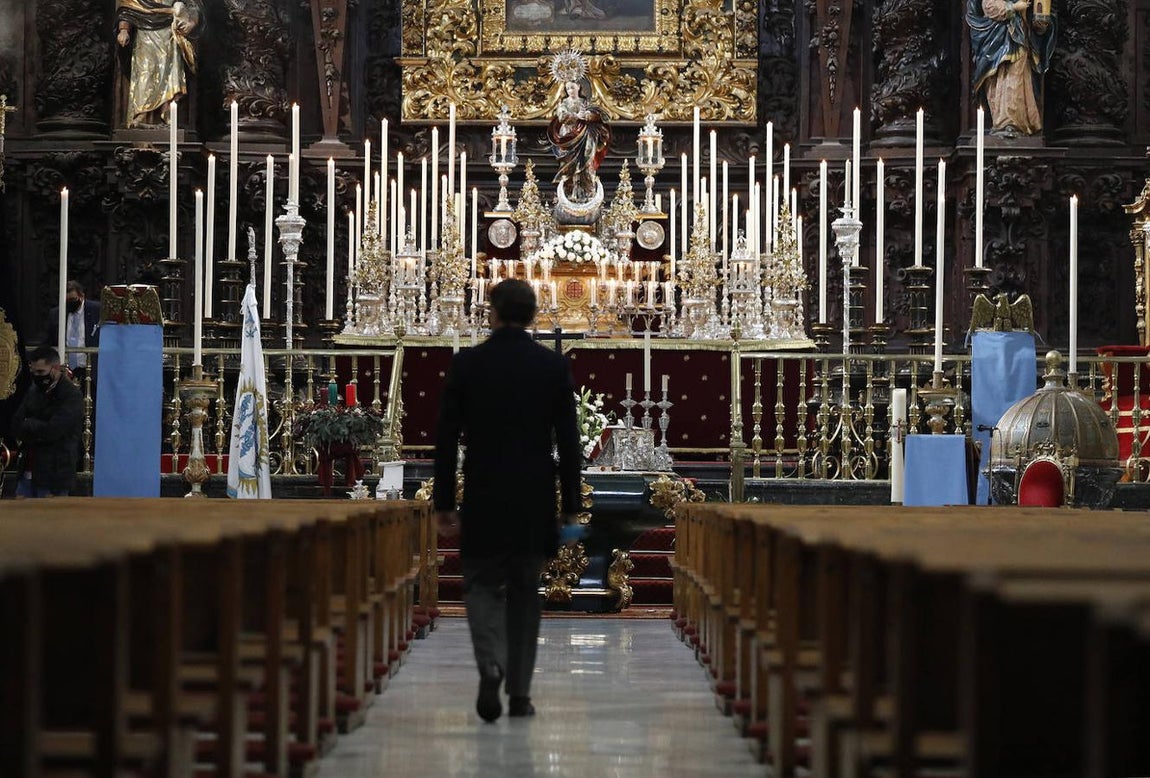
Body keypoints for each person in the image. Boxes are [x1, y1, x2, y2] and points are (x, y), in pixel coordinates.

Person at [433, 279, 582, 722]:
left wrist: (443, 501)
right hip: (533, 495)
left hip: (483, 490)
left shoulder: (468, 364)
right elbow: (568, 442)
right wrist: (570, 502)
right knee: (524, 593)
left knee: (479, 585)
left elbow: (445, 438)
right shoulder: (551, 367)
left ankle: (489, 662)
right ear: (533, 315)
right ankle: (519, 693)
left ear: (493, 313)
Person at [967, 0, 1057, 137]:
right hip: (996, 38)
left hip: (1019, 38)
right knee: (997, 79)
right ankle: (1003, 122)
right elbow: (989, 7)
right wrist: (1013, 7)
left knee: (1018, 77)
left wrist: (1041, 22)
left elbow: (1036, 16)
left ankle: (1016, 122)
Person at [115, 0, 203, 128]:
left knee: (170, 73)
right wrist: (124, 29)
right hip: (145, 33)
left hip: (170, 31)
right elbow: (128, 7)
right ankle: (141, 114)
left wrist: (192, 22)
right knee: (145, 73)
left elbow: (193, 4)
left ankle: (167, 114)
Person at [11, 346, 84, 498]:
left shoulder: (71, 396)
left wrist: (30, 424)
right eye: (33, 372)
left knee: (52, 520)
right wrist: (37, 427)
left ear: (56, 369)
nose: (36, 377)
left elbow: (53, 431)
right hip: (28, 472)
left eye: (41, 372)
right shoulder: (34, 390)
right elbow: (17, 423)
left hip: (54, 476)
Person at [547, 80, 611, 202]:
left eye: (572, 87)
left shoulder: (586, 103)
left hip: (586, 135)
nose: (569, 91)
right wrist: (577, 116)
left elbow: (603, 116)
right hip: (568, 138)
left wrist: (588, 115)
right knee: (568, 165)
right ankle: (569, 192)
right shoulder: (564, 103)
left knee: (586, 162)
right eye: (567, 88)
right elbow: (561, 117)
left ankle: (587, 193)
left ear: (579, 87)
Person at [46, 280, 101, 380]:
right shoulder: (56, 314)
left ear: (82, 296)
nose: (70, 304)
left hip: (90, 370)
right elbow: (50, 340)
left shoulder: (96, 310)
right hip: (66, 371)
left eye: (73, 299)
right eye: (66, 301)